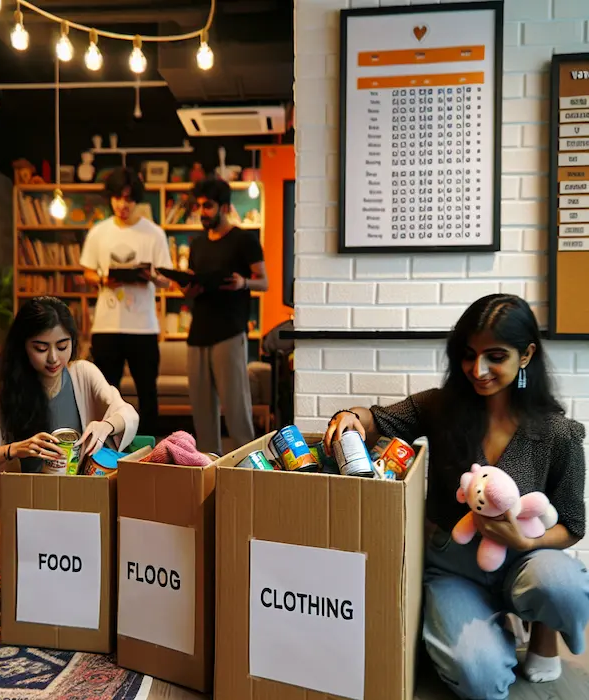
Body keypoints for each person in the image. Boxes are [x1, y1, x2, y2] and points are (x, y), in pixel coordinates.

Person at [324, 294, 589, 700]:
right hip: (453, 568)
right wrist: (349, 417)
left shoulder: (559, 434)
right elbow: (379, 418)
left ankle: (543, 632)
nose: (478, 370)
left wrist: (526, 541)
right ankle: (491, 624)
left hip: (527, 560)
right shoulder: (441, 407)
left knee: (561, 585)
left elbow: (572, 525)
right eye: (468, 355)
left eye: (495, 356)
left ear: (526, 355)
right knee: (479, 680)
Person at [0, 296, 139, 569]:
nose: (54, 358)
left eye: (62, 346)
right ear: (23, 347)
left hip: (81, 501)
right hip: (27, 508)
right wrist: (13, 449)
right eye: (41, 348)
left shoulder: (82, 374)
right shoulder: (2, 395)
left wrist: (106, 425)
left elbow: (127, 413)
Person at [80, 166, 171, 436]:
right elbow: (85, 271)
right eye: (118, 198)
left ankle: (151, 449)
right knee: (105, 392)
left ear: (137, 200)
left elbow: (167, 280)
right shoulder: (99, 232)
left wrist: (151, 276)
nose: (123, 205)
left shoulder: (154, 233)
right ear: (110, 198)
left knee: (148, 392)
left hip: (143, 326)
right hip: (106, 327)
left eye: (129, 199)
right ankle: (103, 447)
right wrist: (102, 279)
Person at [182, 177, 268, 454]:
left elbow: (263, 282)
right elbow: (190, 291)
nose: (202, 212)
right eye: (199, 206)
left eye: (208, 206)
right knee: (203, 416)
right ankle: (207, 467)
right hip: (197, 336)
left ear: (225, 207)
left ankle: (248, 468)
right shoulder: (197, 245)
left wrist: (243, 283)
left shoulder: (244, 240)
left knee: (236, 410)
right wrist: (189, 288)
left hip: (230, 333)